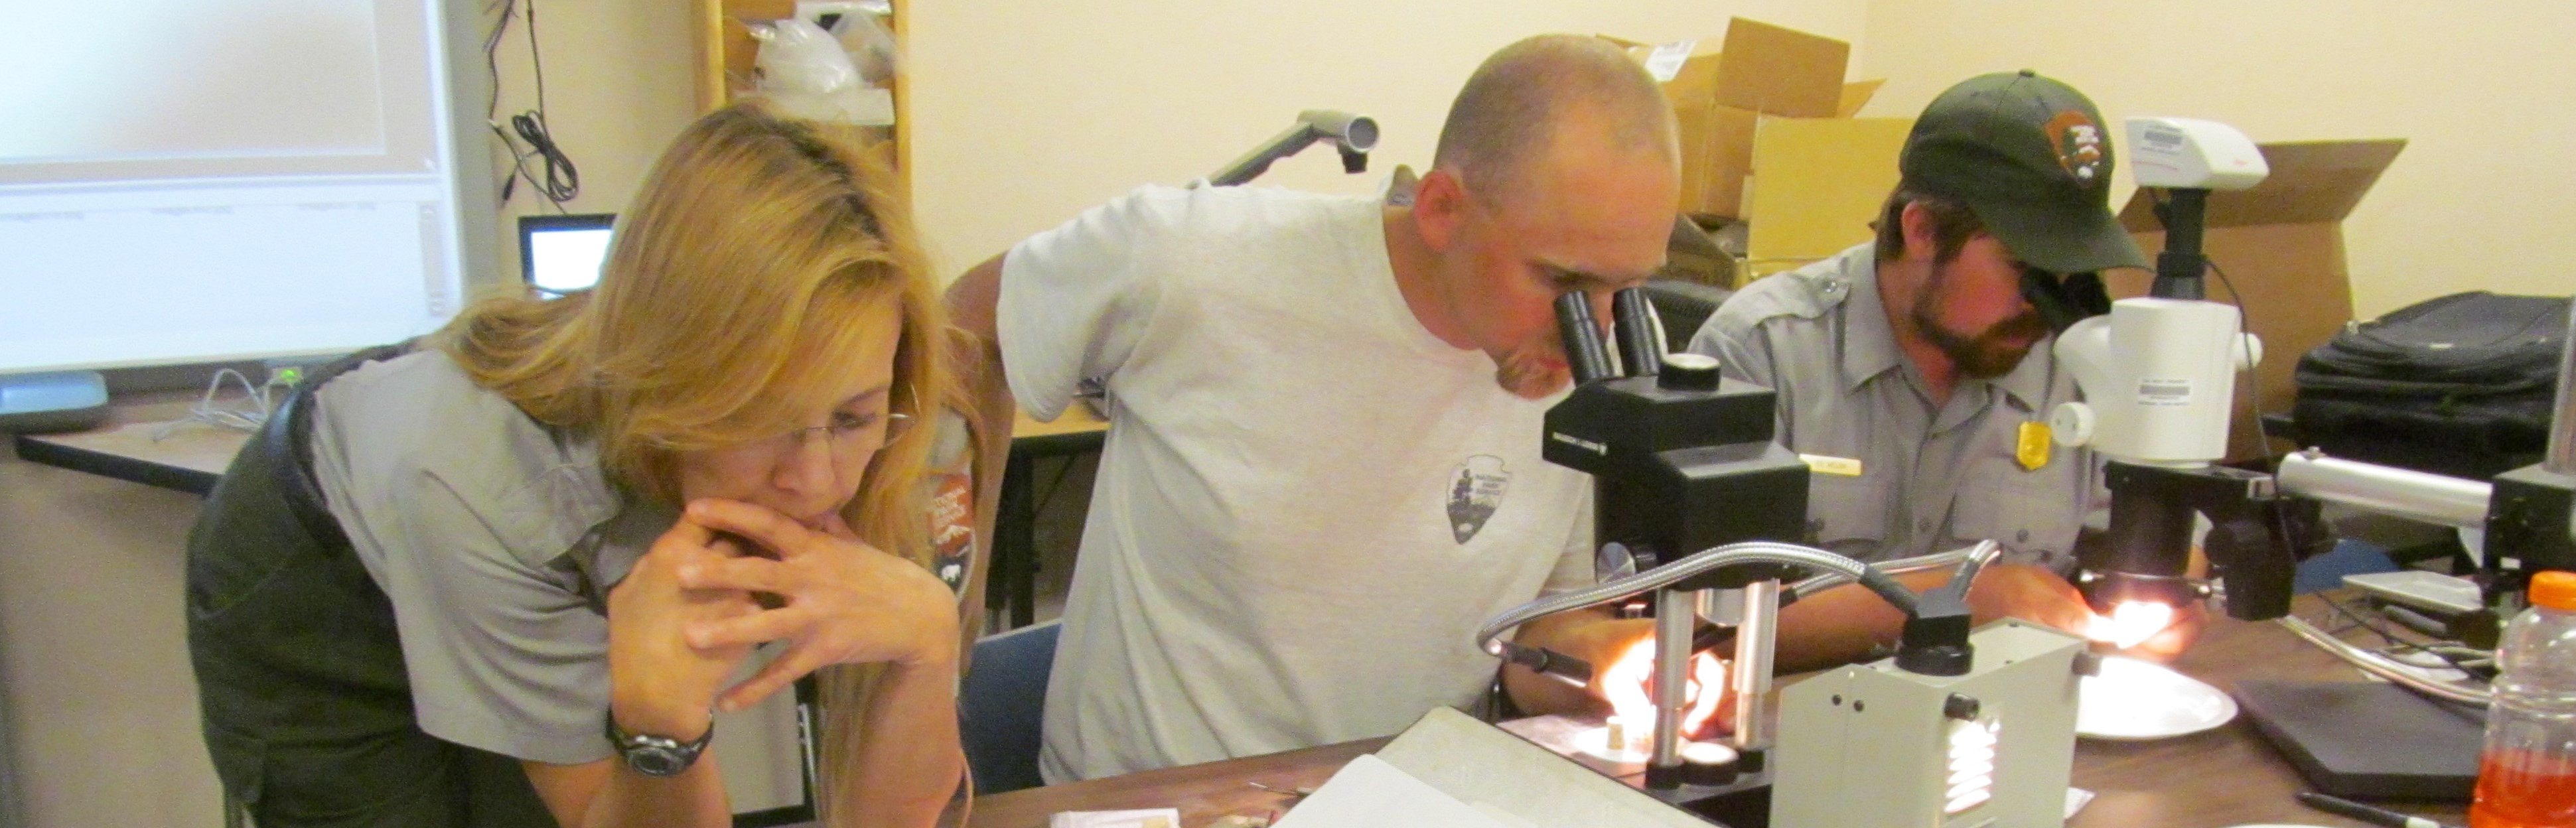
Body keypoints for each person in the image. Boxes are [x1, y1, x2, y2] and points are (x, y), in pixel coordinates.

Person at [184, 101, 970, 827]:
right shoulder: (487, 482)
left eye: (852, 417)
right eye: (753, 417)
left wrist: (927, 643)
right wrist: (660, 731)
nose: (819, 482)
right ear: (666, 378)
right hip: (331, 572)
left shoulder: (906, 428)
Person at [947, 34, 1673, 784]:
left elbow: (1534, 632)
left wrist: (1614, 661)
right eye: (1561, 281)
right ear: (1442, 208)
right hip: (1158, 799)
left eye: (1626, 287)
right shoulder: (1194, 260)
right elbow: (965, 326)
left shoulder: (1621, 345)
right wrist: (947, 606)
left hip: (1399, 796)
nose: (1596, 329)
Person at [1684, 70, 2199, 671]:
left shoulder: (2076, 359)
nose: (2047, 302)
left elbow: (2170, 546)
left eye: (2070, 272)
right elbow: (1697, 628)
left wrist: (2166, 586)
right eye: (2027, 269)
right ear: (1923, 230)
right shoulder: (1760, 352)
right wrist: (1971, 598)